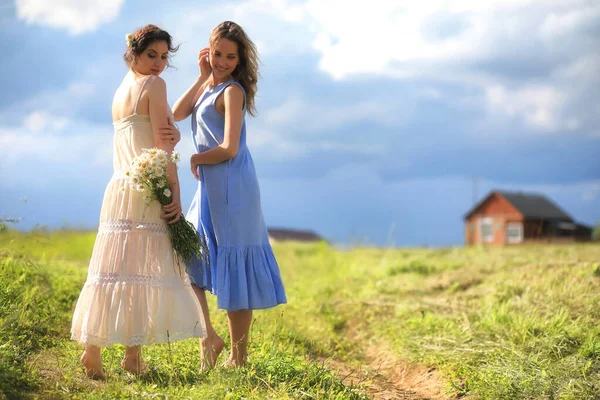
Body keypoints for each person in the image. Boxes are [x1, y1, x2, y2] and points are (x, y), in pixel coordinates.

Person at [70, 24, 206, 380]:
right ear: (133, 52)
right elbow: (163, 149)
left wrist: (169, 132)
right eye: (152, 55)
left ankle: (101, 351)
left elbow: (148, 136)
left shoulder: (120, 90)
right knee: (142, 269)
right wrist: (174, 194)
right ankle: (124, 355)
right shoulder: (154, 85)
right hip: (146, 188)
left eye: (164, 57)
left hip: (118, 187)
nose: (159, 64)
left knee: (113, 270)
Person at [172, 21, 286, 370]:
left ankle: (239, 358)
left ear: (240, 60)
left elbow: (230, 148)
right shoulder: (209, 85)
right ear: (209, 51)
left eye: (229, 57)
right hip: (209, 187)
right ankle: (209, 336)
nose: (222, 61)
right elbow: (177, 114)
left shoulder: (233, 91)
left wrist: (195, 158)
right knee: (189, 258)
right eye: (217, 53)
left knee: (235, 267)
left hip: (234, 188)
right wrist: (200, 75)